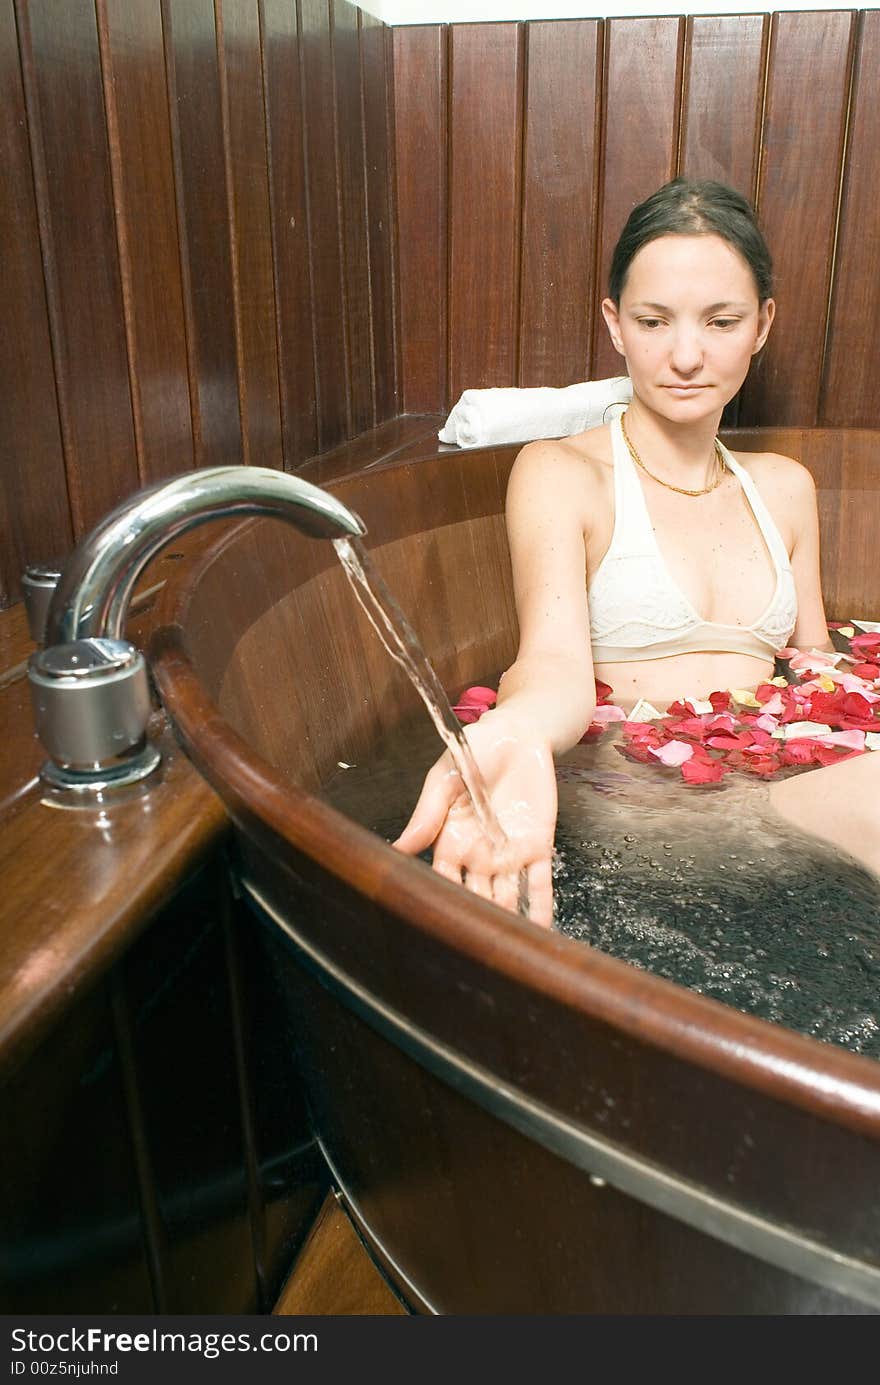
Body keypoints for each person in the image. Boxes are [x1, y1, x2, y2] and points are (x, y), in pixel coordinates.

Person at [393, 178, 879, 926]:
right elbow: (552, 663)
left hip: (782, 794)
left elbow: (815, 669)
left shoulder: (786, 488)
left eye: (722, 321)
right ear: (616, 325)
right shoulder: (563, 474)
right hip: (643, 810)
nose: (687, 355)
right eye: (654, 321)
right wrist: (518, 728)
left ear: (763, 325)